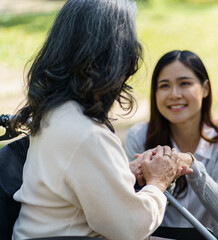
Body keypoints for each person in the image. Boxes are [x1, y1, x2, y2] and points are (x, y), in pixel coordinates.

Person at [11, 1, 189, 239]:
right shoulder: (86, 133)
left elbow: (70, 186)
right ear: (115, 54)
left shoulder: (56, 113)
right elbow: (131, 228)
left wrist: (121, 173)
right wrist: (157, 182)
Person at [125, 50, 218, 240]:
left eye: (185, 84)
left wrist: (192, 166)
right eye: (164, 86)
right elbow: (132, 207)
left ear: (205, 88)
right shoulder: (139, 136)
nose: (174, 94)